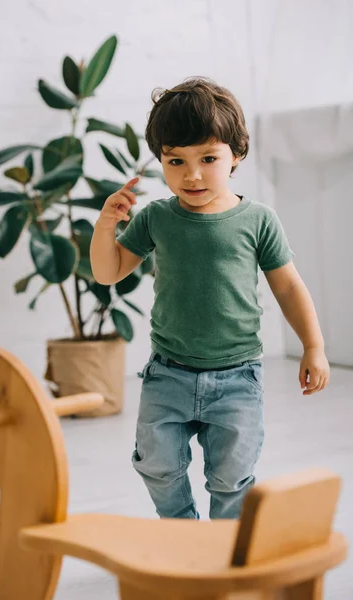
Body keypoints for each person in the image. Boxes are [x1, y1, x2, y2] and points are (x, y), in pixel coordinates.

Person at [90, 77, 330, 520]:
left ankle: (222, 550)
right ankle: (184, 534)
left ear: (236, 154)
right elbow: (108, 273)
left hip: (237, 379)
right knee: (157, 466)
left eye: (208, 158)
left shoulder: (258, 219)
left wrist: (313, 346)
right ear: (161, 159)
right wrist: (107, 226)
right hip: (168, 375)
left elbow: (289, 287)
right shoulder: (156, 218)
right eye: (175, 160)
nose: (191, 174)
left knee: (231, 478)